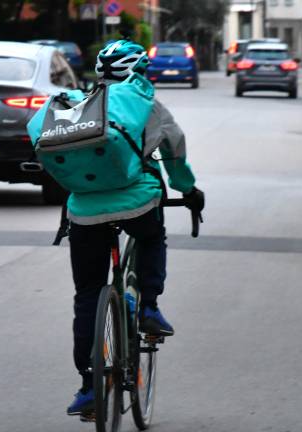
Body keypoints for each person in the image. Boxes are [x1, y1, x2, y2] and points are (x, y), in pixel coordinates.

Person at [64, 40, 205, 417]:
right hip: (137, 203)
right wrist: (188, 191)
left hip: (84, 209)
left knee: (88, 294)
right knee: (151, 234)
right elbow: (175, 154)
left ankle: (88, 386)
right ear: (141, 72)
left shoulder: (81, 104)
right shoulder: (150, 107)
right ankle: (150, 309)